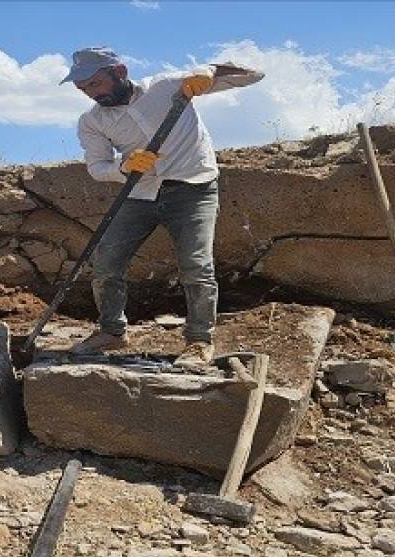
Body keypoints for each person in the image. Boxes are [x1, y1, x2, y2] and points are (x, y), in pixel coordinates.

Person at [62, 46, 263, 361]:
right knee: (107, 261)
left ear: (120, 72)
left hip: (193, 187)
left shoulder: (169, 87)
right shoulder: (92, 122)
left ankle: (199, 340)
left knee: (196, 265)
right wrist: (125, 166)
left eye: (95, 84)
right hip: (140, 192)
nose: (91, 94)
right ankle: (111, 332)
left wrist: (210, 70)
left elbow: (253, 75)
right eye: (83, 89)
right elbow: (97, 167)